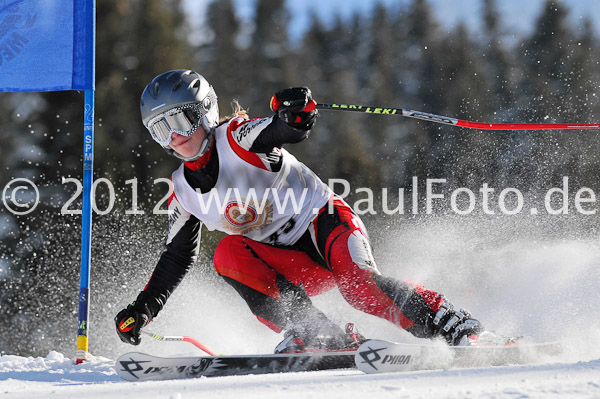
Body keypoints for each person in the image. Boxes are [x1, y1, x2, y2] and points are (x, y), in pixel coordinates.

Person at [115, 69, 483, 353]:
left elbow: (280, 132)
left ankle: (454, 325)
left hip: (324, 227)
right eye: (160, 130)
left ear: (206, 112)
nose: (174, 137)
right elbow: (177, 258)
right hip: (287, 262)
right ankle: (317, 332)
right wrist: (143, 309)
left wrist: (293, 117)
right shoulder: (182, 190)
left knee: (361, 290)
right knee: (226, 253)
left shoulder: (237, 136)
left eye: (179, 121)